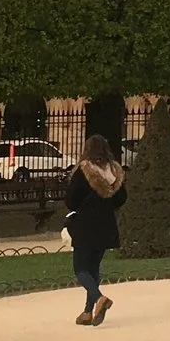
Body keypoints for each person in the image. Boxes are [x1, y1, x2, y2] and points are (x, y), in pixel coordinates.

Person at [63, 136, 127, 327]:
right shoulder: (114, 171)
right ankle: (87, 312)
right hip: (106, 225)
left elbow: (71, 200)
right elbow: (122, 198)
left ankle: (99, 298)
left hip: (85, 225)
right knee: (94, 268)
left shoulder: (84, 170)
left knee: (80, 268)